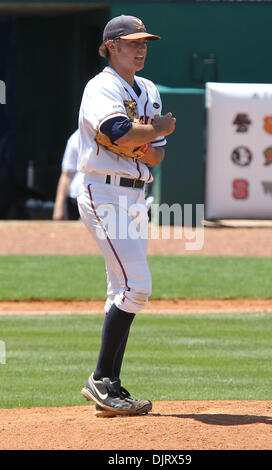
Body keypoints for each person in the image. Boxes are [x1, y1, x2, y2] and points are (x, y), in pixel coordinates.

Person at [77, 15, 176, 417]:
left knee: (121, 287)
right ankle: (101, 378)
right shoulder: (101, 86)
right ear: (111, 46)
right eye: (133, 41)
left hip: (136, 196)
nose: (141, 47)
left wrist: (141, 139)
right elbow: (118, 130)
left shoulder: (148, 89)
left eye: (145, 42)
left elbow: (156, 153)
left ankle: (109, 387)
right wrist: (141, 136)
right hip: (103, 191)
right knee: (137, 286)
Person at [52, 129, 83, 220]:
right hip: (75, 201)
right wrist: (59, 206)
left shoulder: (113, 137)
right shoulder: (75, 138)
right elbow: (67, 175)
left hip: (101, 199)